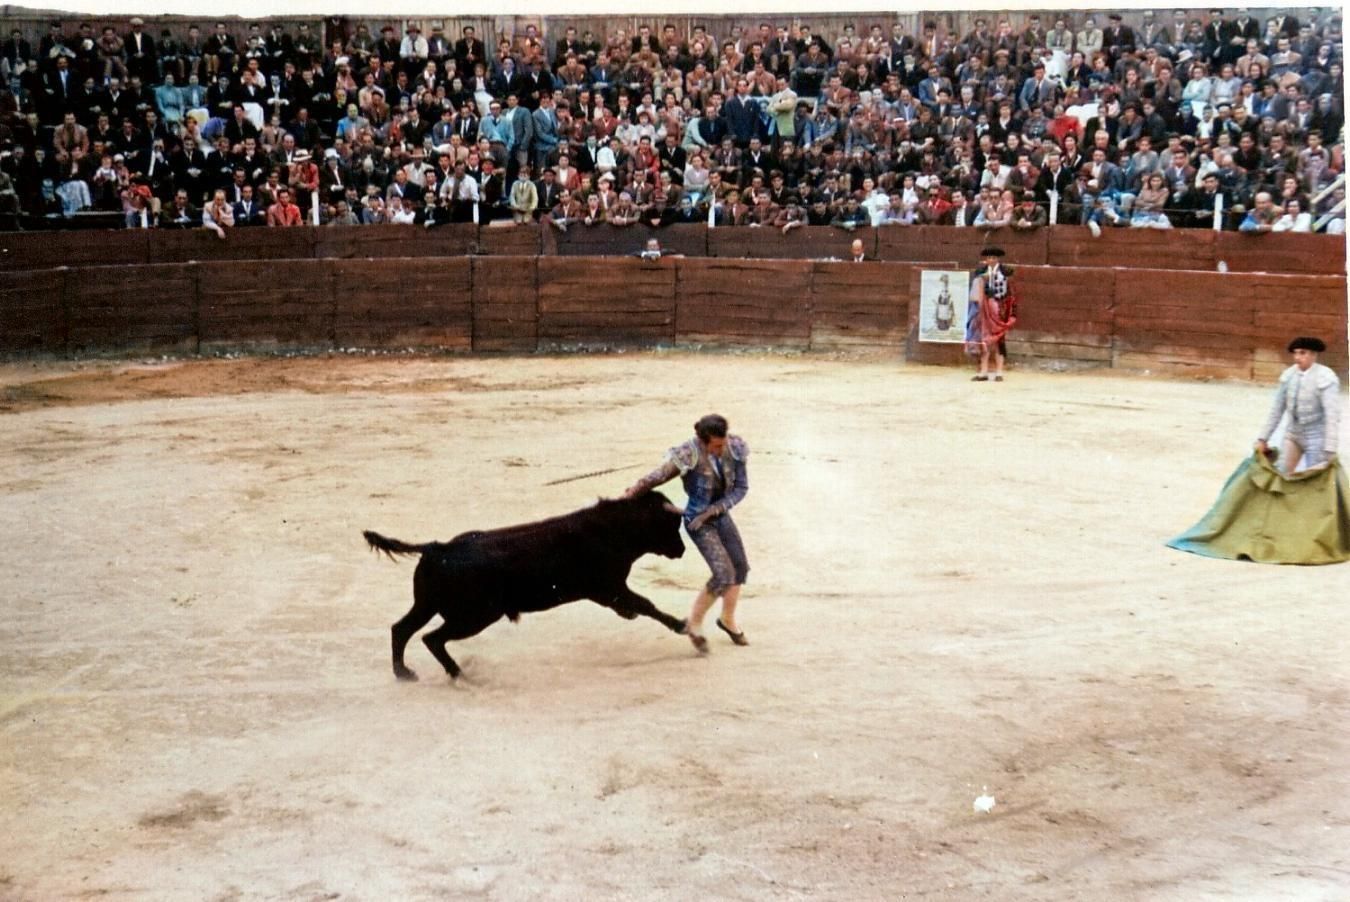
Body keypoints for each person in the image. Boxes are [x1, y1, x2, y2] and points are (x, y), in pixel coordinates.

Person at [623, 414, 751, 652]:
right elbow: (656, 477)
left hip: (719, 515)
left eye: (722, 444)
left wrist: (715, 509)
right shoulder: (688, 454)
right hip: (697, 522)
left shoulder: (734, 448)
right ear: (702, 441)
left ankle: (727, 619)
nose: (720, 450)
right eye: (715, 446)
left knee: (740, 568)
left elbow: (742, 487)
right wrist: (630, 494)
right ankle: (695, 624)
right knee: (723, 574)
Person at [1255, 337, 1341, 473]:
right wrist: (1263, 438)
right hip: (1293, 433)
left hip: (1317, 436)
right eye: (1295, 353)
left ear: (1314, 354)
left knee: (1315, 481)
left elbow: (1332, 415)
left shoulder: (1326, 377)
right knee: (1282, 474)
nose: (1297, 357)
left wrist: (1330, 448)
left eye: (1302, 353)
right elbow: (1276, 410)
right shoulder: (1289, 375)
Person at [964, 246, 1019, 382]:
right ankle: (983, 372)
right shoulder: (980, 271)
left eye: (994, 258)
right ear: (986, 259)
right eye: (989, 258)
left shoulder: (1006, 271)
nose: (991, 260)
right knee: (984, 340)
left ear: (998, 259)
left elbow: (1010, 290)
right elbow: (975, 291)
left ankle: (999, 372)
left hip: (1000, 308)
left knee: (999, 340)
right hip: (984, 309)